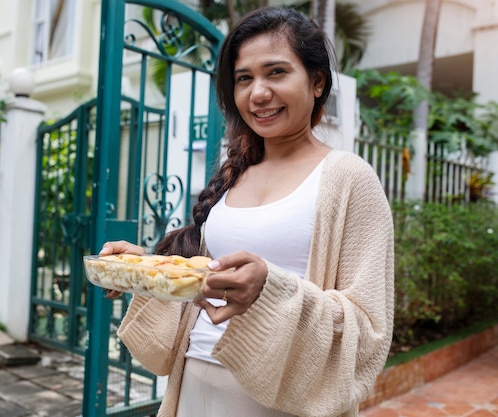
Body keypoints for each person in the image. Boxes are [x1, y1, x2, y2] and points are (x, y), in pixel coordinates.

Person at [100, 6, 394, 417]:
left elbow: (369, 331)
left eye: (276, 72)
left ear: (316, 82)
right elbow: (205, 284)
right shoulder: (236, 173)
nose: (258, 93)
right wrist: (147, 271)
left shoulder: (348, 178)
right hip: (192, 383)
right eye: (244, 78)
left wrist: (270, 289)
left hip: (278, 399)